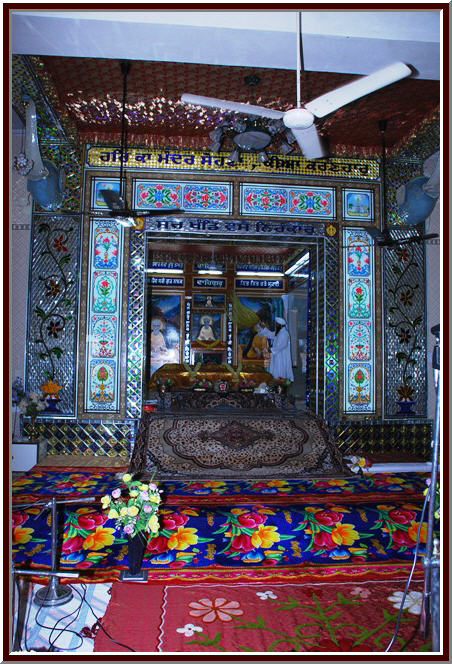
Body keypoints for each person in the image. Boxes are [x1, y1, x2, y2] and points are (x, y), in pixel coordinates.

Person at [258, 317, 294, 381]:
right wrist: (264, 328)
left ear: (280, 325)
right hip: (277, 355)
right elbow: (270, 334)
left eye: (277, 324)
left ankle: (280, 382)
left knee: (280, 368)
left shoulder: (284, 333)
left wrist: (271, 350)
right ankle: (276, 381)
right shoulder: (280, 332)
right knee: (276, 368)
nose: (276, 325)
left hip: (282, 356)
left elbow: (282, 345)